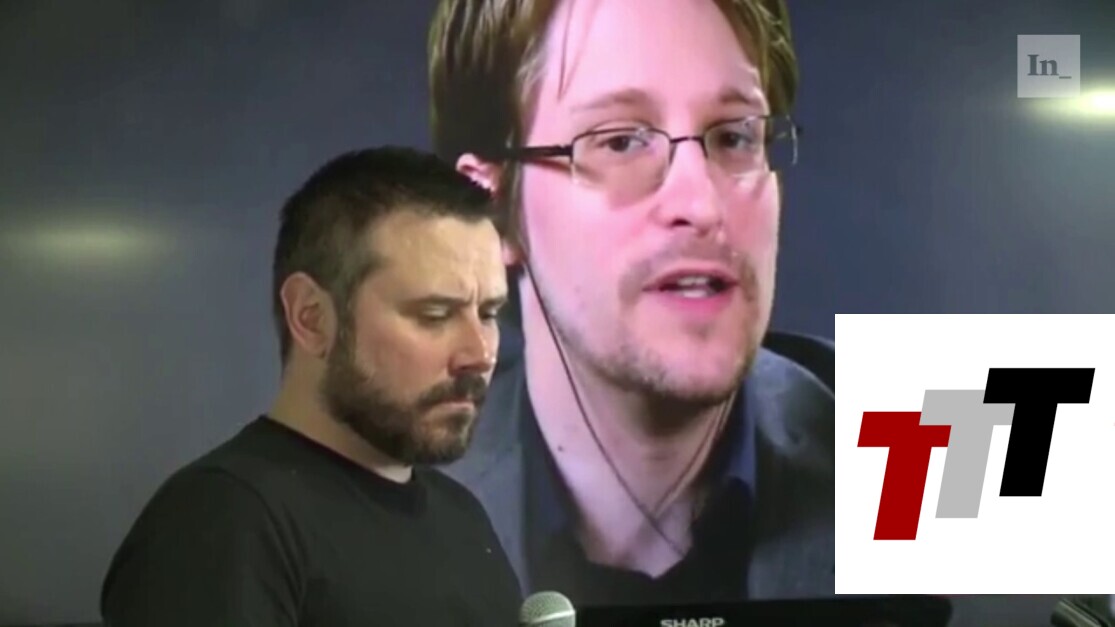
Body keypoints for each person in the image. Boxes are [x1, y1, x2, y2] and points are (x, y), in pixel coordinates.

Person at [427, 0, 834, 608]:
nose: (702, 205)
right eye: (620, 141)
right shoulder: (365, 519)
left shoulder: (930, 432)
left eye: (734, 135)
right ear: (489, 211)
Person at [100, 146, 521, 627]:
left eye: (489, 313)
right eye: (435, 315)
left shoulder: (462, 518)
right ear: (312, 317)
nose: (480, 354)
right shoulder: (223, 523)